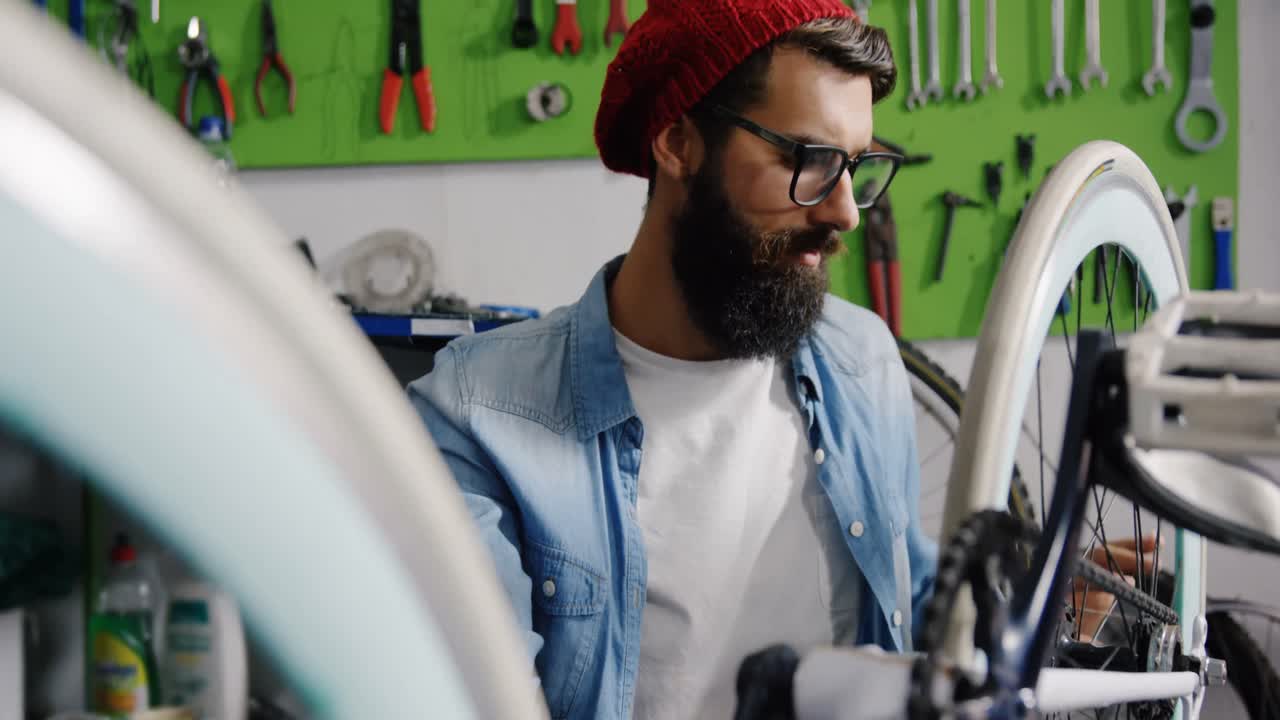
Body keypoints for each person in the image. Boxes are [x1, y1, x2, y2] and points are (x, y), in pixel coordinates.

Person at [411, 2, 927, 717]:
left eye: (856, 166)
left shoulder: (863, 362)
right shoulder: (479, 417)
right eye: (808, 160)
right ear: (678, 142)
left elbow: (911, 602)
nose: (845, 212)